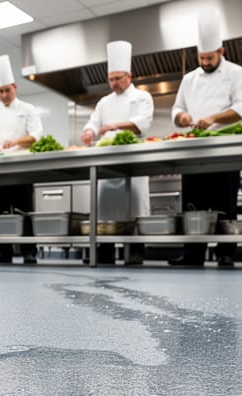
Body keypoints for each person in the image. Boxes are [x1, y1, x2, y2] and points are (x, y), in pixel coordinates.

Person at [170, 9, 242, 267]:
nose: (205, 62)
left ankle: (225, 253)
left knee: (225, 202)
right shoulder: (189, 79)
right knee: (193, 204)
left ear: (221, 51)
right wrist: (182, 117)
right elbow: (176, 109)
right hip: (194, 150)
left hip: (225, 148)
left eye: (209, 58)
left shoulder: (237, 73)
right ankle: (193, 253)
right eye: (201, 58)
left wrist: (213, 118)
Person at [81, 40, 154, 265]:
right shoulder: (104, 102)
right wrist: (89, 131)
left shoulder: (142, 97)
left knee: (135, 206)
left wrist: (115, 126)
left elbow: (142, 123)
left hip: (133, 160)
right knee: (104, 207)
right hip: (108, 163)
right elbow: (94, 122)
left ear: (129, 76)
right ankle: (105, 251)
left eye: (118, 79)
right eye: (110, 79)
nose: (114, 83)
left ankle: (136, 252)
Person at [0, 54, 43, 264]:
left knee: (25, 211)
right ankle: (3, 252)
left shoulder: (28, 109)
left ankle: (29, 251)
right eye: (0, 91)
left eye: (7, 90)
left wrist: (15, 141)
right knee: (0, 211)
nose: (4, 95)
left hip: (22, 167)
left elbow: (36, 135)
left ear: (15, 87)